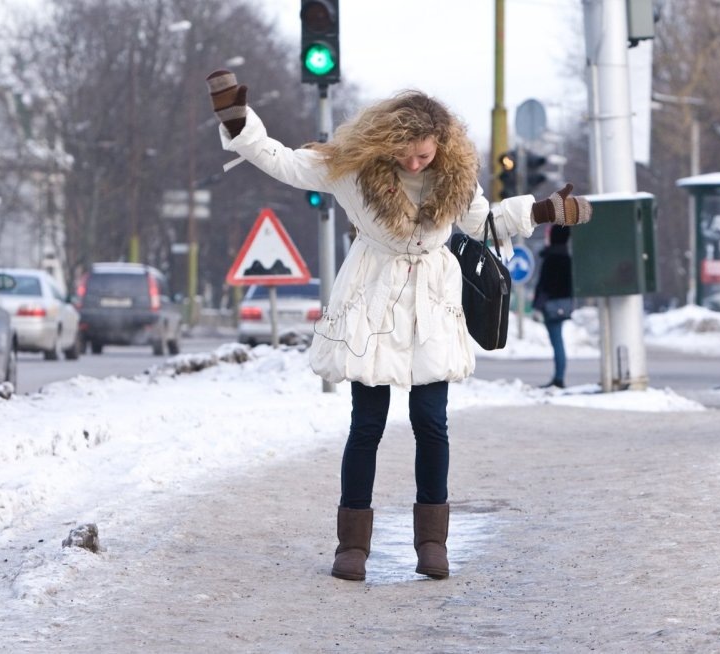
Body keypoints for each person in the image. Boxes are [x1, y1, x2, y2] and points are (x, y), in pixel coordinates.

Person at [206, 70, 591, 582]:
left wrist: (543, 210)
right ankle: (353, 546)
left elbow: (484, 222)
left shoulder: (456, 174)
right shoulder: (353, 168)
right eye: (406, 153)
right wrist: (239, 122)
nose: (414, 162)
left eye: (424, 155)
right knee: (366, 425)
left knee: (432, 424)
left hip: (432, 304)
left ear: (440, 146)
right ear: (386, 142)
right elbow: (286, 162)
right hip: (373, 299)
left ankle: (432, 543)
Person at [532, 225, 574, 389]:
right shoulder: (566, 257)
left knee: (557, 342)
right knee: (558, 341)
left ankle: (559, 377)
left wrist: (537, 305)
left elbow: (544, 285)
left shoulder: (551, 258)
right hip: (563, 304)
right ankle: (558, 376)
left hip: (551, 305)